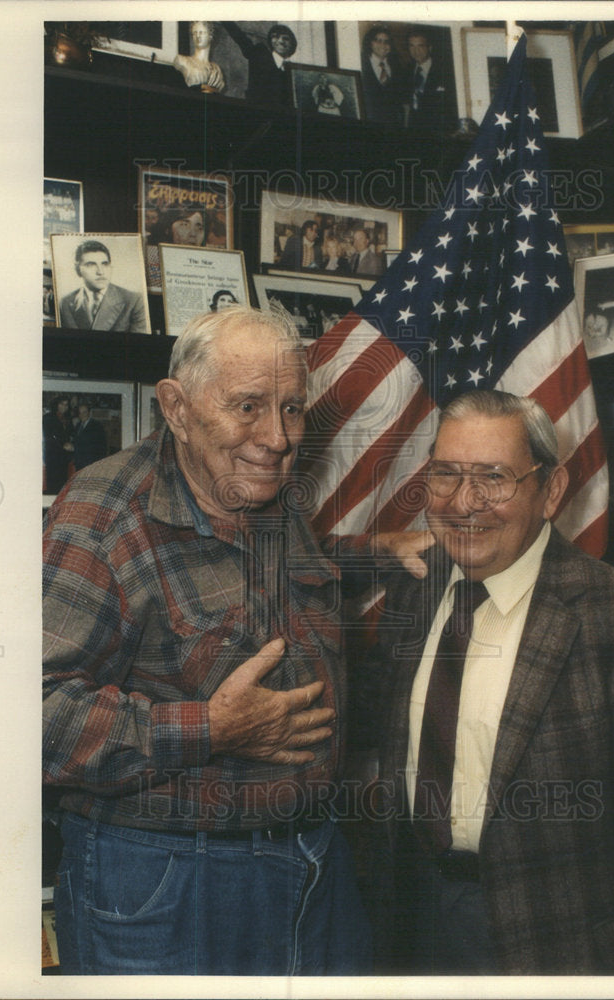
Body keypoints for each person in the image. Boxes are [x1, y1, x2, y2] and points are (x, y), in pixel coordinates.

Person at [43, 306, 373, 975]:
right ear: (177, 406)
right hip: (163, 881)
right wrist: (211, 729)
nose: (277, 438)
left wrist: (376, 553)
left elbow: (255, 595)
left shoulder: (264, 491)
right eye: (247, 406)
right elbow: (28, 716)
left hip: (311, 863)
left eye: (291, 409)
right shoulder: (102, 516)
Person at [360, 389, 614, 975]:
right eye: (445, 474)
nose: (464, 502)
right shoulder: (414, 591)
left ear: (550, 491)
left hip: (553, 939)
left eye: (494, 478)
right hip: (409, 921)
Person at [59, 239, 147, 333]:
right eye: (91, 265)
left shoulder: (134, 300)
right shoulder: (66, 303)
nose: (100, 272)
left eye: (105, 264)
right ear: (77, 269)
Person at [222, 22, 296, 107]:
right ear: (270, 41)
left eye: (285, 38)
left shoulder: (290, 70)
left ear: (292, 45)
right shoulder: (260, 53)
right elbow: (241, 38)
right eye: (275, 36)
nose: (280, 41)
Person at [403, 27, 453, 131]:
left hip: (438, 131)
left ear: (429, 47)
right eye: (412, 46)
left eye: (420, 46)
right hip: (413, 131)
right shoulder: (406, 71)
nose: (416, 51)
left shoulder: (445, 71)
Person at [360, 24, 404, 127]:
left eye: (386, 42)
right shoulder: (361, 64)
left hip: (393, 125)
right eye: (378, 41)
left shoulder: (396, 65)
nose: (382, 45)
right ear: (370, 43)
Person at [173, 21, 225, 92]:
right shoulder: (182, 61)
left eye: (202, 32)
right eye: (195, 33)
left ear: (210, 36)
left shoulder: (217, 69)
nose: (198, 36)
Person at [42, 396, 72, 494]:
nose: (64, 407)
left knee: (62, 486)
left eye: (66, 405)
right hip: (53, 456)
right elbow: (48, 437)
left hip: (64, 458)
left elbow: (69, 435)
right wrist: (62, 445)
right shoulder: (48, 418)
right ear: (56, 405)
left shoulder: (67, 419)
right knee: (53, 486)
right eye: (62, 404)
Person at [70, 403, 108, 470]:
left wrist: (75, 448)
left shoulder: (96, 426)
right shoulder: (78, 425)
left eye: (84, 412)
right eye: (80, 413)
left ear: (89, 413)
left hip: (91, 463)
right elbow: (76, 440)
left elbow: (97, 447)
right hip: (79, 462)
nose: (82, 415)